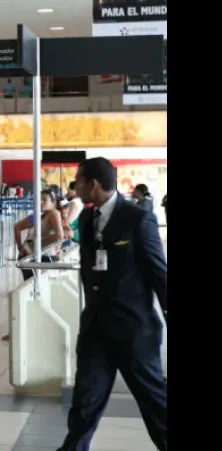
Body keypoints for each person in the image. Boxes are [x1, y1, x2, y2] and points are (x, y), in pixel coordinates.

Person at [58, 157, 167, 451]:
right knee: (84, 404)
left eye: (78, 181)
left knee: (156, 405)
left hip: (134, 331)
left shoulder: (137, 219)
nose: (75, 186)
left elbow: (159, 273)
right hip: (96, 329)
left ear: (93, 184)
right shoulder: (86, 218)